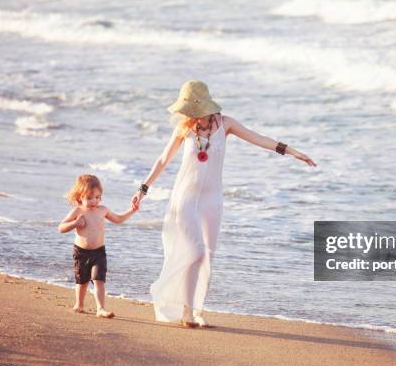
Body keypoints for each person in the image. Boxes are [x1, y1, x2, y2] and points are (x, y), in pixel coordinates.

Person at [132, 80, 317, 328]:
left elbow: (258, 138)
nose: (191, 114)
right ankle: (185, 309)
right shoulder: (183, 129)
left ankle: (197, 310)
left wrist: (293, 152)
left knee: (207, 255)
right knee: (194, 252)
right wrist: (143, 188)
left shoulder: (225, 124)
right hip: (185, 197)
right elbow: (163, 159)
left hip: (212, 200)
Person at [58, 174, 137, 318]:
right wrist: (74, 224)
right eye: (89, 198)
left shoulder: (103, 210)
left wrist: (132, 210)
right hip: (81, 252)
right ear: (79, 197)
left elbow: (118, 219)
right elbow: (61, 227)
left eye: (97, 197)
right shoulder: (78, 212)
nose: (94, 201)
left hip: (99, 252)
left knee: (99, 280)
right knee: (82, 281)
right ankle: (79, 304)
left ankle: (100, 308)